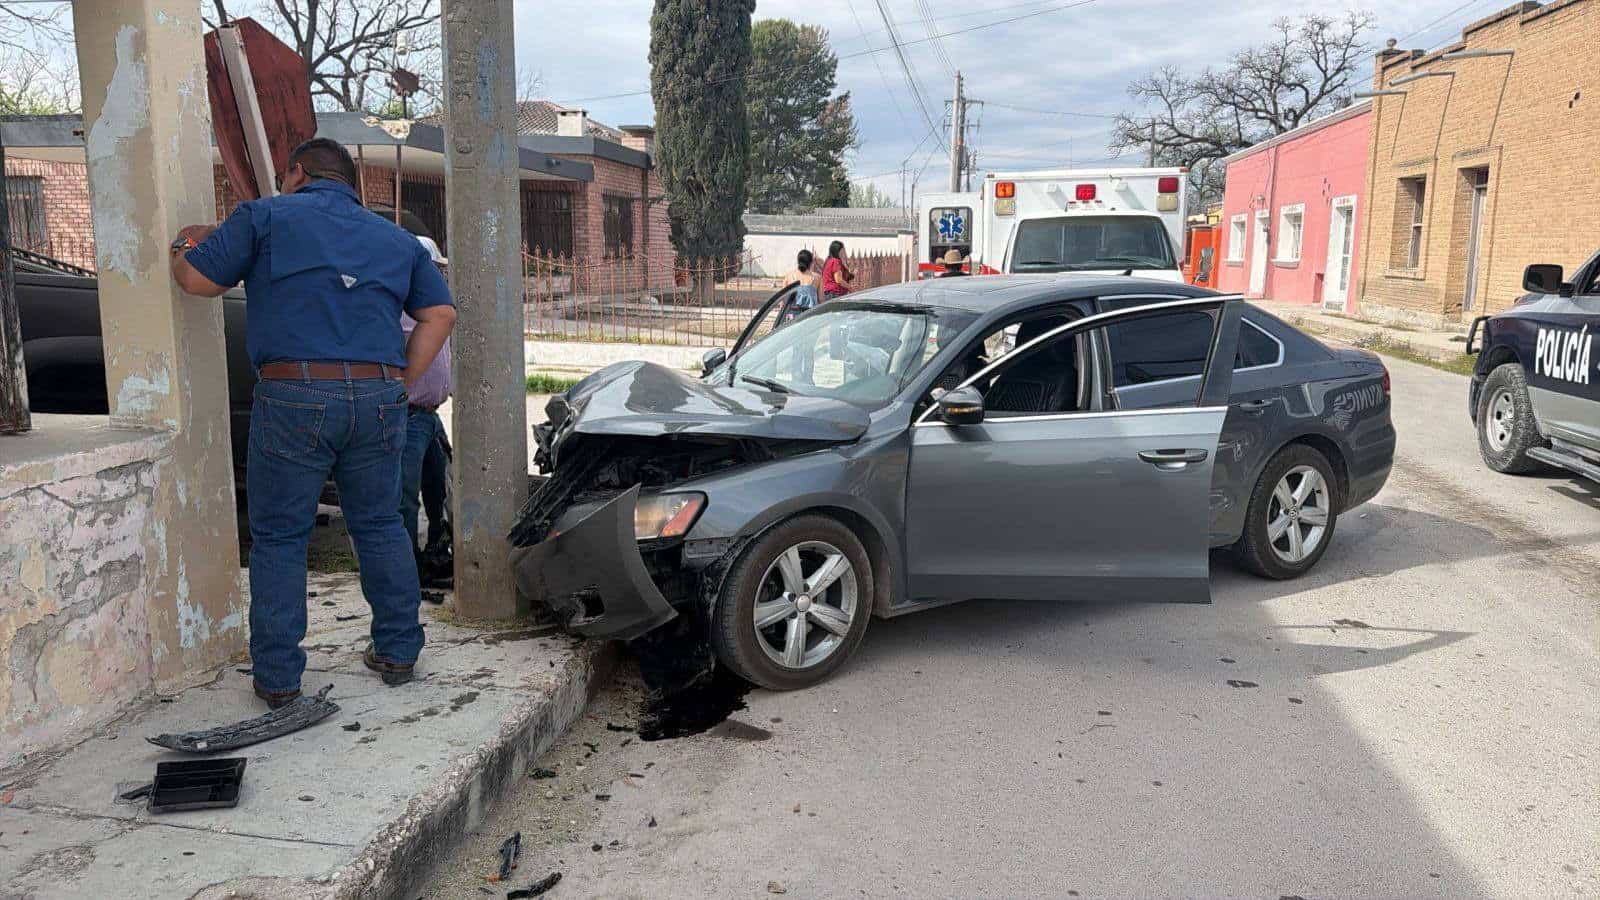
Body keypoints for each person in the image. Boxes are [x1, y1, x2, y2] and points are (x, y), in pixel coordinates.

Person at [169, 137, 456, 707]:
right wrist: (398, 381)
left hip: (295, 392)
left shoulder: (263, 217)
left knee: (280, 536)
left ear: (296, 173)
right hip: (377, 396)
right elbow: (440, 313)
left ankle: (278, 678)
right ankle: (398, 650)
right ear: (349, 182)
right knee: (378, 524)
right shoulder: (396, 239)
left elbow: (196, 280)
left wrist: (184, 242)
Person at [398, 235, 451, 577]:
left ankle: (437, 546)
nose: (439, 276)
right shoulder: (402, 311)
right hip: (410, 415)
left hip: (431, 416)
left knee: (440, 490)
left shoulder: (435, 312)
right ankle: (405, 565)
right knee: (404, 495)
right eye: (434, 269)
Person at [780, 248, 821, 323]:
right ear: (811, 262)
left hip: (792, 317)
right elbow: (821, 300)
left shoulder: (789, 276)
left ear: (798, 261)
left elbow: (782, 302)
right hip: (811, 317)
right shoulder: (817, 278)